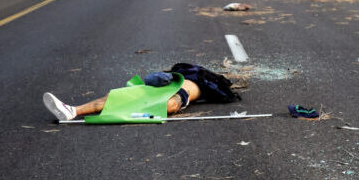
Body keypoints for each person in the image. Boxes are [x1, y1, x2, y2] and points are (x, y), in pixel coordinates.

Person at [43, 62, 240, 121]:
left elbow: (223, 92)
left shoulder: (200, 81)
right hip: (157, 90)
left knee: (170, 105)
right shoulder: (179, 74)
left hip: (179, 94)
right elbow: (150, 80)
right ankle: (73, 110)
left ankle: (75, 111)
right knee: (119, 95)